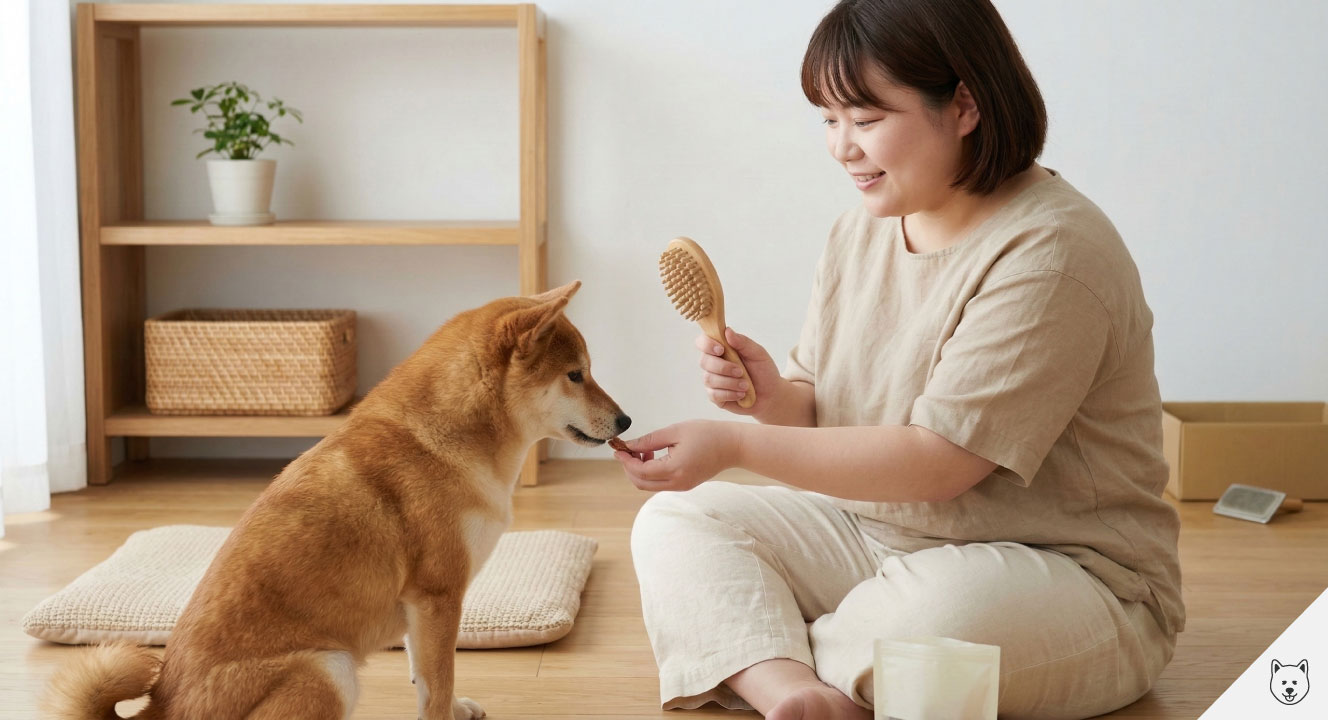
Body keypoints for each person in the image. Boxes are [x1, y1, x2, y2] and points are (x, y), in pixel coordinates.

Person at [612, 1, 1184, 719]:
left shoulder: (1054, 252)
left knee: (930, 625)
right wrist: (771, 399)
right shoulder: (863, 227)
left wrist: (736, 443)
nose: (841, 147)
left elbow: (940, 463)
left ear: (965, 106)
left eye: (866, 119)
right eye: (828, 119)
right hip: (875, 534)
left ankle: (769, 646)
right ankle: (796, 690)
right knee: (680, 521)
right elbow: (823, 407)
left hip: (1069, 573)